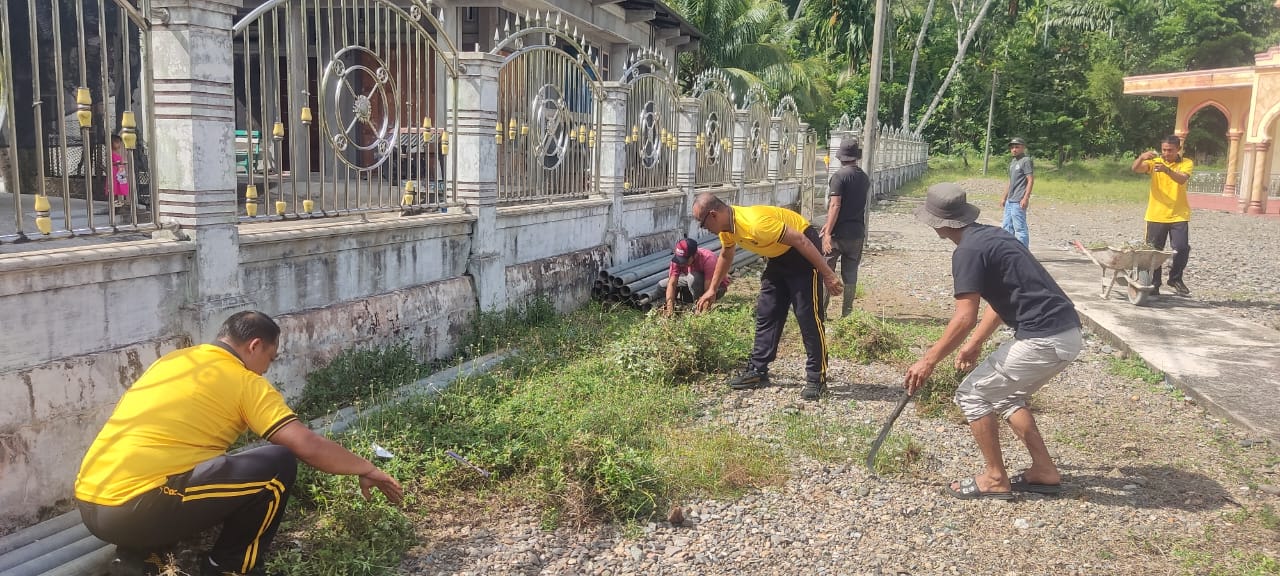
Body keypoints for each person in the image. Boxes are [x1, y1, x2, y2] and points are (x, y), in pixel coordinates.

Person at [75, 311, 403, 576]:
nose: (266, 370)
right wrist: (367, 467)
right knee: (278, 464)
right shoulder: (245, 382)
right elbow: (306, 445)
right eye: (270, 359)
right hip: (133, 508)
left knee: (200, 466)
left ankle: (139, 555)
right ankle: (228, 566)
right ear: (255, 346)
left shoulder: (175, 362)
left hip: (90, 502)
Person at [905, 183, 1082, 500]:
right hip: (1064, 332)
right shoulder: (992, 236)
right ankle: (1044, 471)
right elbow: (1003, 299)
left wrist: (927, 360)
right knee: (1006, 395)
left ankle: (995, 478)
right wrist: (974, 343)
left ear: (940, 223)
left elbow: (963, 317)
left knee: (972, 395)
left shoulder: (967, 252)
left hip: (1044, 339)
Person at [691, 193, 844, 401]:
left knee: (807, 316)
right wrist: (712, 289)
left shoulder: (754, 224)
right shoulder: (728, 228)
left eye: (702, 223)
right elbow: (727, 253)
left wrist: (828, 274)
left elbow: (801, 240)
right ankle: (757, 371)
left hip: (802, 250)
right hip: (778, 257)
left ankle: (816, 379)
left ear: (713, 215)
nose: (704, 228)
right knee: (767, 310)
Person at [1131, 135, 1193, 296]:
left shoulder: (1186, 163)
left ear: (1178, 149)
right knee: (1154, 251)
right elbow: (1136, 169)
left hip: (1178, 214)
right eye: (1164, 150)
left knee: (1181, 248)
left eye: (1170, 150)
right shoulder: (1155, 162)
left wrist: (1167, 170)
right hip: (1156, 214)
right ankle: (1154, 283)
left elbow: (1181, 180)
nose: (1166, 153)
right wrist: (1141, 158)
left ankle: (1175, 278)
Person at [819, 140, 871, 319]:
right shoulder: (864, 177)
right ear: (856, 156)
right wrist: (828, 224)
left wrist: (827, 233)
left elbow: (835, 205)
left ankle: (821, 312)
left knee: (826, 270)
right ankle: (847, 313)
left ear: (841, 157)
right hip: (856, 233)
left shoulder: (839, 176)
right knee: (850, 273)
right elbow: (851, 205)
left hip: (837, 235)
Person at [661, 237, 729, 316]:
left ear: (695, 255)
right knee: (662, 285)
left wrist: (702, 313)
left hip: (716, 287)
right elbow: (672, 284)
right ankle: (654, 305)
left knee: (693, 278)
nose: (682, 264)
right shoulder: (678, 260)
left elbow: (709, 291)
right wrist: (670, 308)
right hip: (693, 281)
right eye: (680, 260)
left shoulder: (709, 259)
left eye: (685, 260)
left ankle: (698, 306)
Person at [999, 137, 1034, 247]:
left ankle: (1024, 252)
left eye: (1017, 147)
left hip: (1018, 200)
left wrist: (1025, 198)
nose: (1014, 149)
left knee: (1019, 228)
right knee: (1006, 226)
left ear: (1023, 148)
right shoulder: (1013, 162)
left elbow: (1030, 180)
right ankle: (1010, 250)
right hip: (1010, 200)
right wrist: (1004, 197)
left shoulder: (1026, 161)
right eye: (1012, 147)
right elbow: (1011, 181)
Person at [110, 135, 130, 210]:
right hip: (115, 171)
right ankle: (114, 200)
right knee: (114, 185)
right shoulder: (110, 153)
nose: (118, 145)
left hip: (120, 171)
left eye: (119, 143)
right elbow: (110, 163)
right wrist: (118, 163)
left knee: (120, 185)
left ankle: (119, 200)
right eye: (117, 143)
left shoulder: (118, 152)